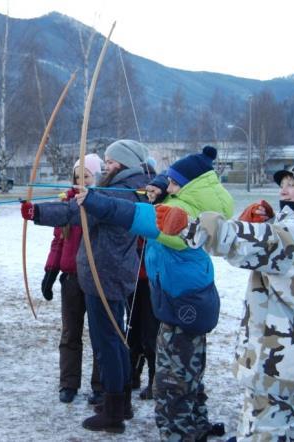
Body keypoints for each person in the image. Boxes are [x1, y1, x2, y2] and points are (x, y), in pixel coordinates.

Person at [157, 159, 294, 441]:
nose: (284, 190)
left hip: (277, 360)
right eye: (284, 184)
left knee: (263, 426)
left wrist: (189, 225)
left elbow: (240, 241)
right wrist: (270, 222)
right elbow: (274, 246)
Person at [75, 146, 232, 440]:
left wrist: (96, 201)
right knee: (190, 373)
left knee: (173, 381)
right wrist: (161, 184)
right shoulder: (193, 203)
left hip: (182, 302)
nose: (168, 186)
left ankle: (180, 433)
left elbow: (138, 216)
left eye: (174, 183)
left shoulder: (182, 214)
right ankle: (196, 425)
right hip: (189, 299)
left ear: (190, 186)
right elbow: (161, 186)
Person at [22, 140, 151, 434]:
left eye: (109, 160)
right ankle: (120, 403)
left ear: (123, 162)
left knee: (108, 343)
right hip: (108, 273)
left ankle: (114, 412)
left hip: (105, 274)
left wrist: (46, 211)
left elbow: (82, 212)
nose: (105, 165)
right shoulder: (121, 188)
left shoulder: (123, 191)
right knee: (115, 340)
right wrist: (39, 213)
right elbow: (76, 211)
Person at [41, 153, 104, 404]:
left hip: (97, 279)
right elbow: (59, 240)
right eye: (77, 177)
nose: (80, 182)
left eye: (86, 177)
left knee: (100, 334)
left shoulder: (103, 204)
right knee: (70, 334)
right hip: (71, 279)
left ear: (95, 178)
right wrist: (50, 271)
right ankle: (68, 383)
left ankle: (101, 385)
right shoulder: (67, 204)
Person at [127, 173, 167, 400]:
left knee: (151, 333)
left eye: (154, 190)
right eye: (147, 190)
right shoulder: (138, 203)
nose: (149, 193)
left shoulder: (164, 209)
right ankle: (133, 374)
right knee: (132, 329)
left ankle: (154, 381)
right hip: (134, 279)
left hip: (152, 282)